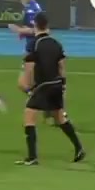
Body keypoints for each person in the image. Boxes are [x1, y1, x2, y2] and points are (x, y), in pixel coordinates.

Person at [16, 12, 84, 165]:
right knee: (60, 117)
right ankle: (79, 147)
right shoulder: (56, 43)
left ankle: (32, 157)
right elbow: (62, 66)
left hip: (44, 86)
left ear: (35, 26)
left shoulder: (35, 44)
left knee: (29, 116)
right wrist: (64, 86)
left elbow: (29, 68)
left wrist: (29, 88)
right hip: (57, 85)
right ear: (47, 26)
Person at [7, 0, 43, 95]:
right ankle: (42, 103)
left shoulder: (32, 8)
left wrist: (18, 29)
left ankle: (43, 103)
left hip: (35, 49)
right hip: (32, 48)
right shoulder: (28, 6)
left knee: (25, 84)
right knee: (28, 85)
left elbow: (36, 30)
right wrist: (22, 33)